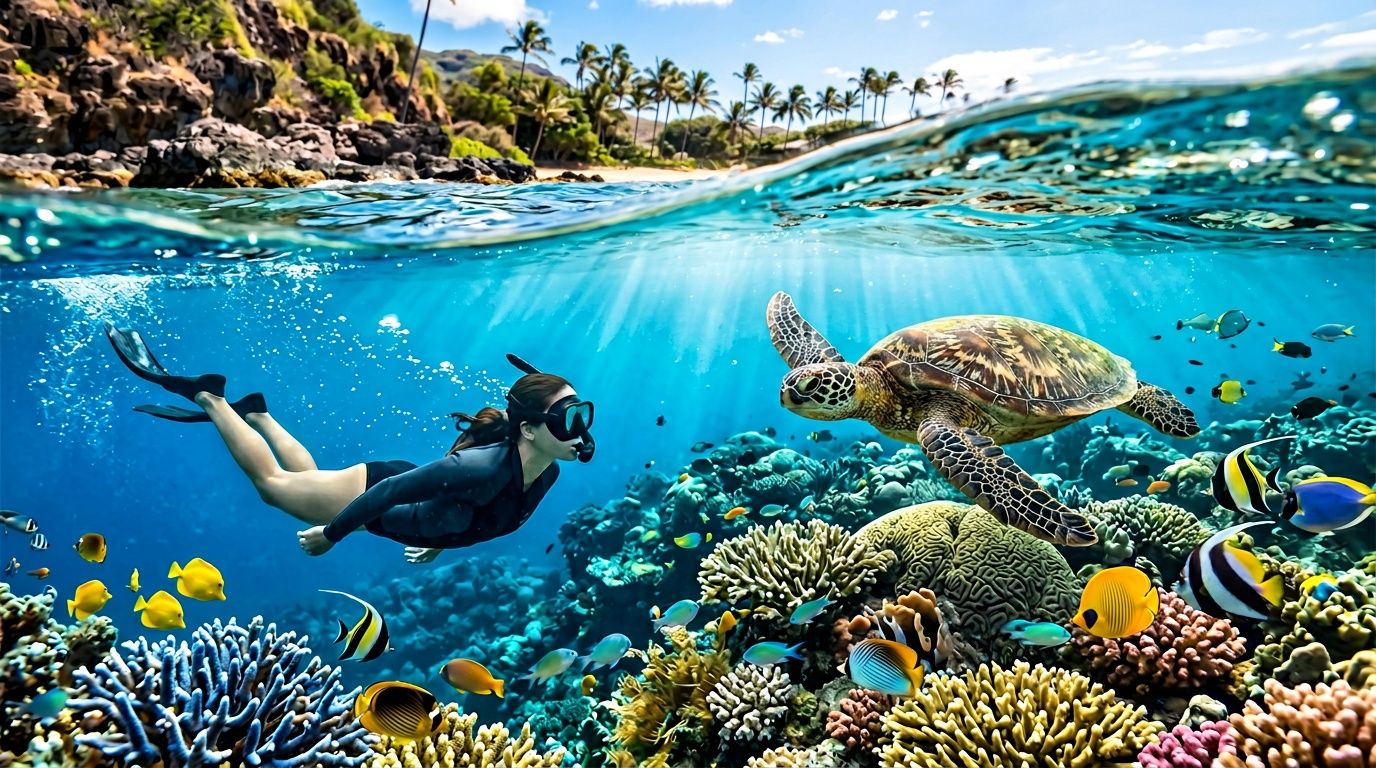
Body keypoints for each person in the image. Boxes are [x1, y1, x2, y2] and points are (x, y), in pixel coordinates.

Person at [105, 323, 594, 563]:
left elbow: (481, 512)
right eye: (568, 417)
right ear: (529, 430)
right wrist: (332, 534)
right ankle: (210, 397)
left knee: (305, 479)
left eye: (582, 414)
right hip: (375, 493)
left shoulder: (545, 472)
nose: (580, 430)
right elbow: (389, 492)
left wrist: (437, 542)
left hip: (402, 499)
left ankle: (257, 414)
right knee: (273, 486)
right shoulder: (480, 468)